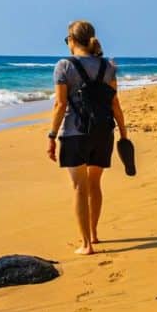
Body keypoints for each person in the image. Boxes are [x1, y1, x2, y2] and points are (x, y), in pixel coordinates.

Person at [46, 19, 127, 256]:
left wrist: (51, 136)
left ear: (71, 40)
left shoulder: (64, 66)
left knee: (79, 187)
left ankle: (86, 245)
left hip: (75, 133)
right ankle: (93, 234)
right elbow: (115, 103)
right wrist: (123, 133)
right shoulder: (108, 67)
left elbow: (60, 105)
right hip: (103, 132)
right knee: (94, 184)